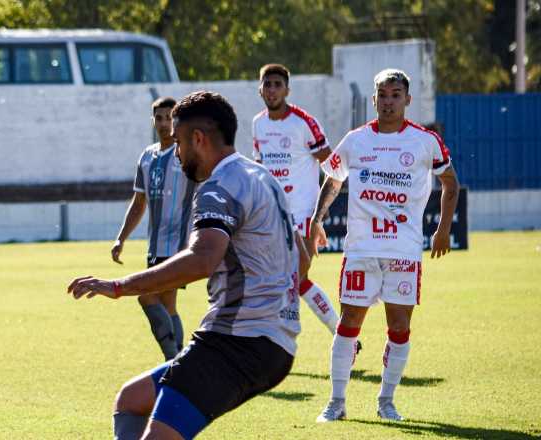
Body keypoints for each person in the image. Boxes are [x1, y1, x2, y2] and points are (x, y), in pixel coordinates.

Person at [68, 91, 307, 440]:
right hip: (275, 343)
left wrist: (120, 287)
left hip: (237, 343)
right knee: (132, 400)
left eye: (178, 142)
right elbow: (301, 258)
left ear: (198, 139)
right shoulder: (263, 178)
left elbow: (202, 259)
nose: (177, 153)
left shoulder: (218, 186)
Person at [312, 69, 459, 423]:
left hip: (404, 252)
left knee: (399, 327)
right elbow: (333, 180)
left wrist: (442, 230)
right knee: (349, 323)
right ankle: (336, 402)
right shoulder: (356, 140)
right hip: (361, 249)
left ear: (407, 100)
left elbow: (450, 183)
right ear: (374, 98)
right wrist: (317, 220)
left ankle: (387, 400)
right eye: (383, 94)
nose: (389, 101)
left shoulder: (425, 141)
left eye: (396, 94)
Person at [252, 63, 355, 344]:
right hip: (272, 217)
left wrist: (319, 216)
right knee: (295, 283)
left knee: (296, 278)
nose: (272, 90)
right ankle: (342, 336)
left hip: (303, 215)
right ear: (260, 88)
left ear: (287, 89)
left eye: (277, 84)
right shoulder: (258, 124)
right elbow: (261, 169)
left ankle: (278, 338)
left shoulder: (303, 123)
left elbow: (334, 167)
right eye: (267, 84)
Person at [112, 96, 196, 360]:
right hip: (155, 244)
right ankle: (177, 363)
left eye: (169, 117)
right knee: (167, 304)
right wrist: (121, 238)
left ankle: (173, 362)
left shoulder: (186, 154)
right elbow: (139, 203)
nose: (164, 123)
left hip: (179, 244)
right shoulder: (147, 157)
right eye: (159, 118)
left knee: (146, 296)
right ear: (153, 121)